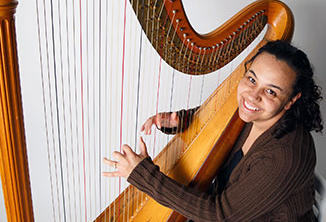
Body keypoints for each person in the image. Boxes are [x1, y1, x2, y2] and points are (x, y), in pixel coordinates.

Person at [103, 40, 323, 221]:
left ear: (291, 100)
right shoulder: (251, 114)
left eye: (271, 92)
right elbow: (213, 116)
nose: (252, 96)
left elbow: (220, 215)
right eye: (252, 79)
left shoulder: (285, 155)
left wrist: (142, 173)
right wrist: (179, 120)